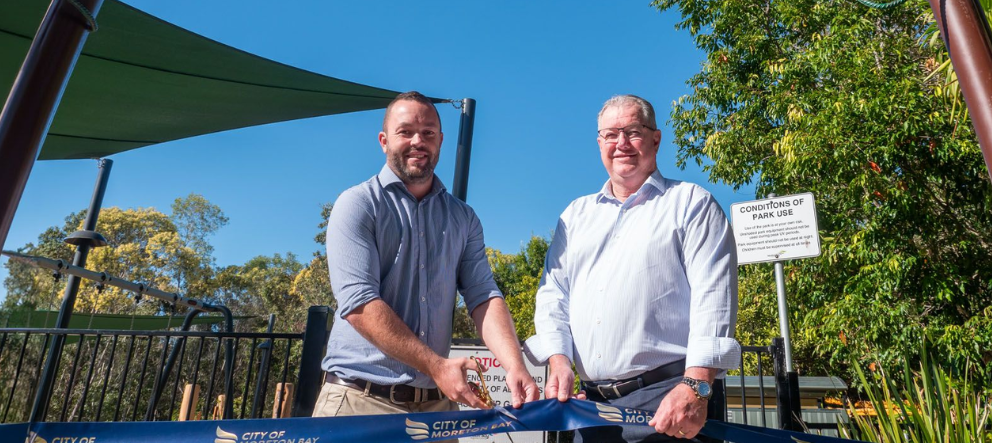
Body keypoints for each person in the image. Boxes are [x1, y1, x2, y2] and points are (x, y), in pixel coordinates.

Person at [524, 95, 738, 442]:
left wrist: (696, 388)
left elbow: (714, 299)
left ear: (655, 139)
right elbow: (553, 295)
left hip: (668, 402)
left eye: (633, 132)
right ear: (599, 143)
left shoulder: (691, 204)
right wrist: (559, 362)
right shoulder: (575, 217)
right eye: (611, 134)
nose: (621, 143)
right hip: (589, 409)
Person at [315, 91, 539, 417]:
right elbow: (359, 303)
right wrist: (436, 366)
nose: (418, 141)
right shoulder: (358, 204)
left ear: (441, 141)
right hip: (360, 400)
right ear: (383, 140)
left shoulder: (464, 218)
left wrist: (515, 364)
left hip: (435, 407)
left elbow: (483, 296)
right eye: (405, 132)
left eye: (429, 133)